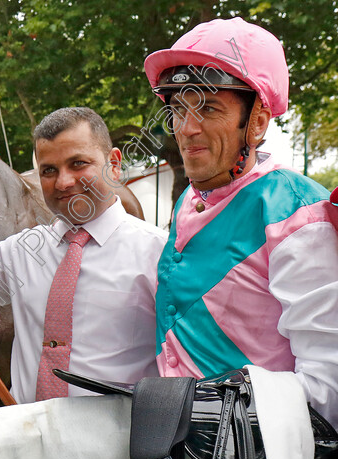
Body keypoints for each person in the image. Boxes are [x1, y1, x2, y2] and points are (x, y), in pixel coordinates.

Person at [143, 17, 338, 428]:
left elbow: (328, 388)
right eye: (178, 109)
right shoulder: (188, 201)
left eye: (209, 108)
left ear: (257, 122)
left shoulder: (298, 214)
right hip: (182, 458)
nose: (187, 128)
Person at [0, 107, 167, 404]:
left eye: (78, 164)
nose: (63, 182)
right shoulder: (24, 250)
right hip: (30, 442)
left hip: (124, 444)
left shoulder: (159, 253)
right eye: (49, 170)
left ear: (114, 164)